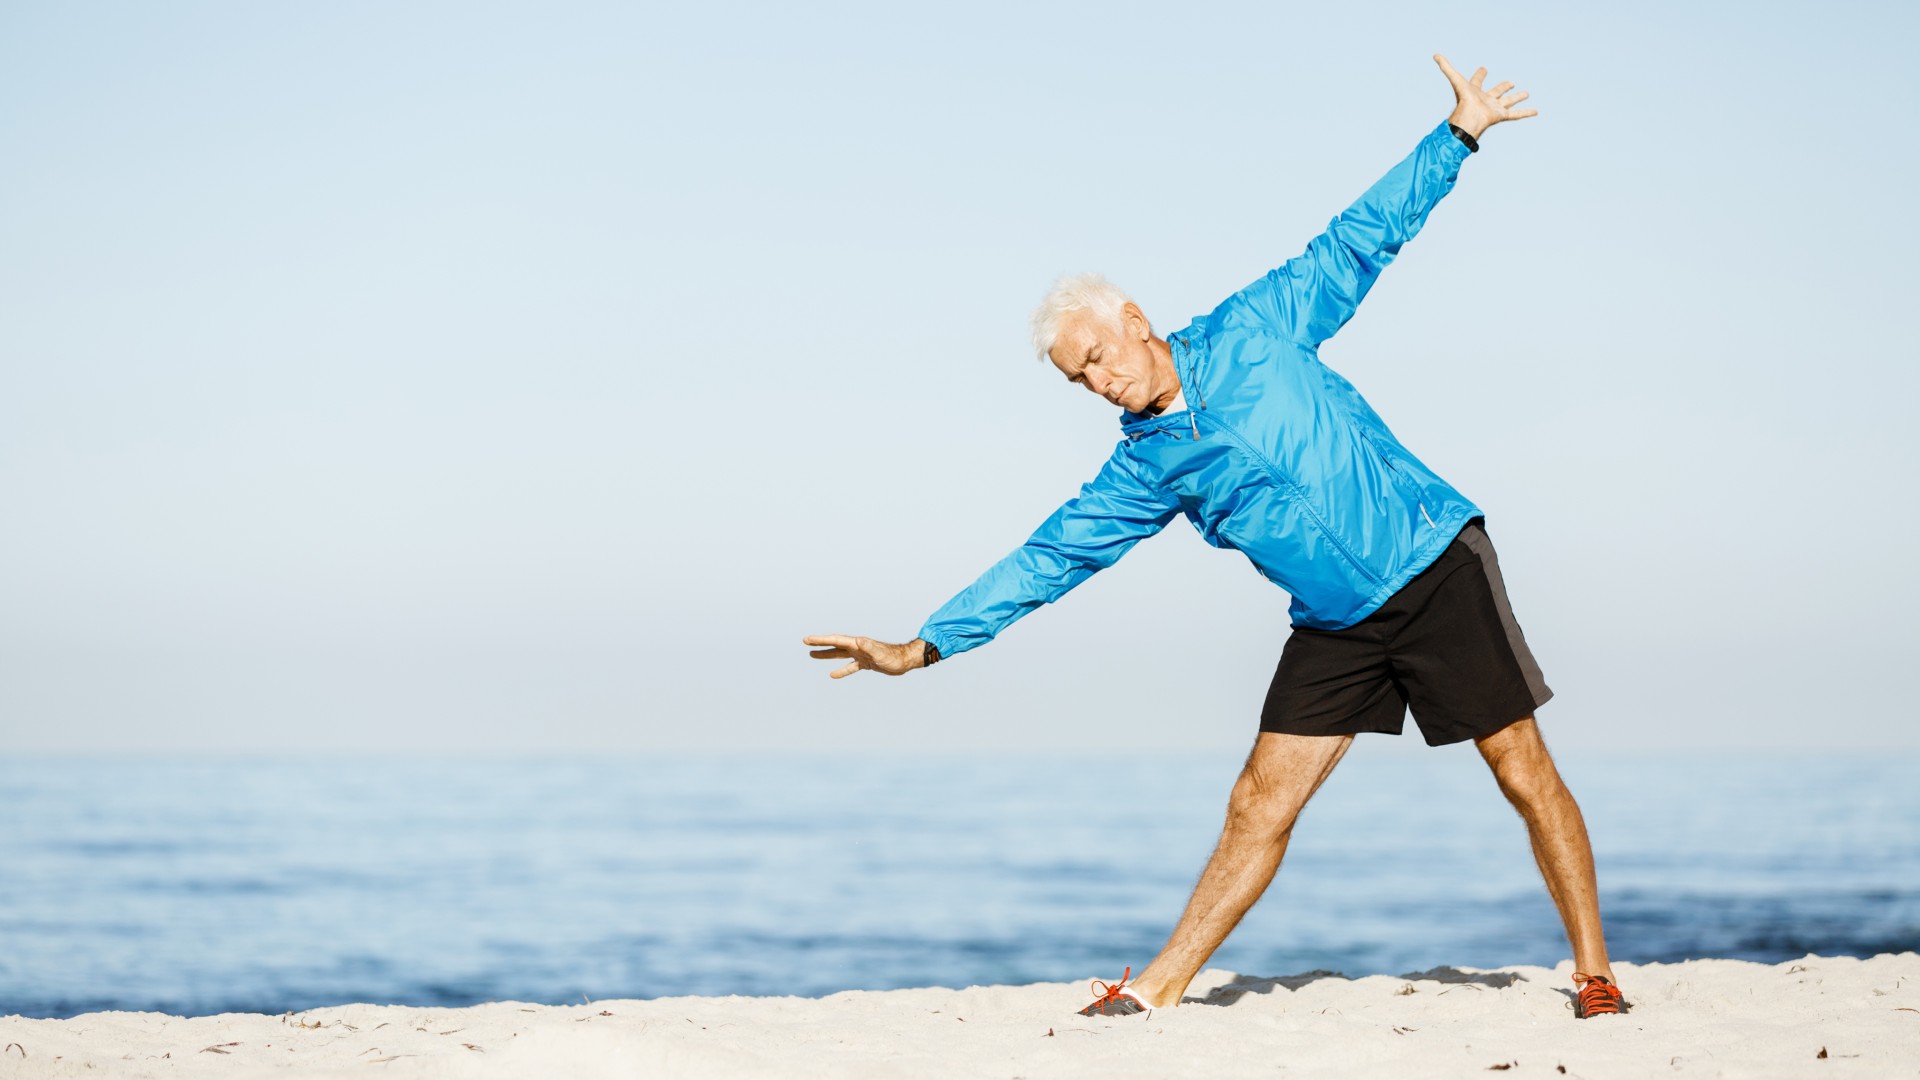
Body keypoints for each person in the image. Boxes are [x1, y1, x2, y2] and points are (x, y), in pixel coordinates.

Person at [804, 54, 1629, 1021]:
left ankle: (1594, 971)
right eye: (1078, 379)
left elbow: (1356, 241)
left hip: (1431, 563)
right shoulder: (1146, 465)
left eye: (1099, 357)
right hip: (1335, 623)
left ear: (1136, 323)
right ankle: (1155, 990)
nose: (1098, 382)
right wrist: (926, 643)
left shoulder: (1257, 329)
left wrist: (1456, 137)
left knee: (1521, 767)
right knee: (1256, 804)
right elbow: (1053, 556)